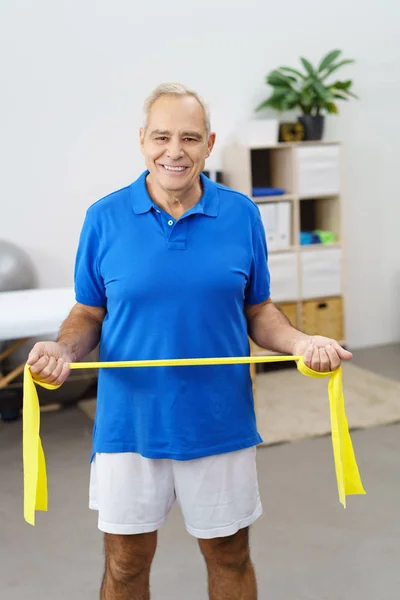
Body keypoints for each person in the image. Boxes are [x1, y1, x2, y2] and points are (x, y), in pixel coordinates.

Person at [27, 83, 352, 600]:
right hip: (128, 425)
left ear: (209, 143)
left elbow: (258, 308)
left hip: (218, 420)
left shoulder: (242, 214)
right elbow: (89, 311)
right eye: (161, 137)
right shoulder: (104, 218)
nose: (174, 151)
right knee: (126, 564)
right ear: (141, 141)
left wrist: (298, 341)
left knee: (229, 555)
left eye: (189, 138)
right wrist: (62, 349)